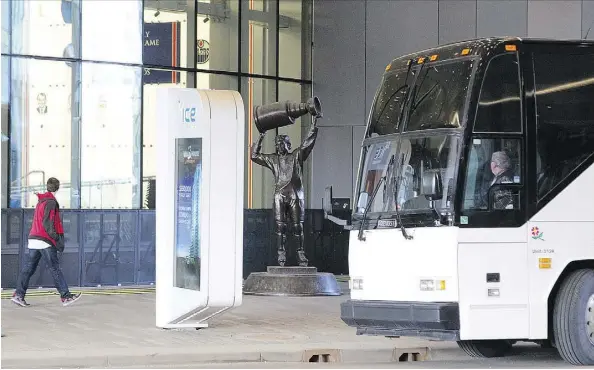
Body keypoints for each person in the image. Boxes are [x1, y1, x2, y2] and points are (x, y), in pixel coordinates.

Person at [251, 121, 318, 267]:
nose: (278, 146)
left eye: (281, 143)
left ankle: (300, 254)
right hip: (279, 196)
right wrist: (261, 137)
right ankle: (281, 253)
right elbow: (254, 156)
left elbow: (307, 144)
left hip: (295, 195)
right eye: (277, 144)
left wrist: (313, 125)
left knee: (297, 227)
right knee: (280, 227)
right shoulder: (273, 159)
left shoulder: (296, 156)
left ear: (288, 145)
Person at [12, 177, 82, 307]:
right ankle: (66, 296)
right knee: (55, 269)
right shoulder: (51, 202)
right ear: (58, 187)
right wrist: (55, 237)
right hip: (45, 240)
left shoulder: (41, 201)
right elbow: (48, 222)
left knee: (28, 269)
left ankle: (19, 295)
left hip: (34, 239)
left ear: (47, 187)